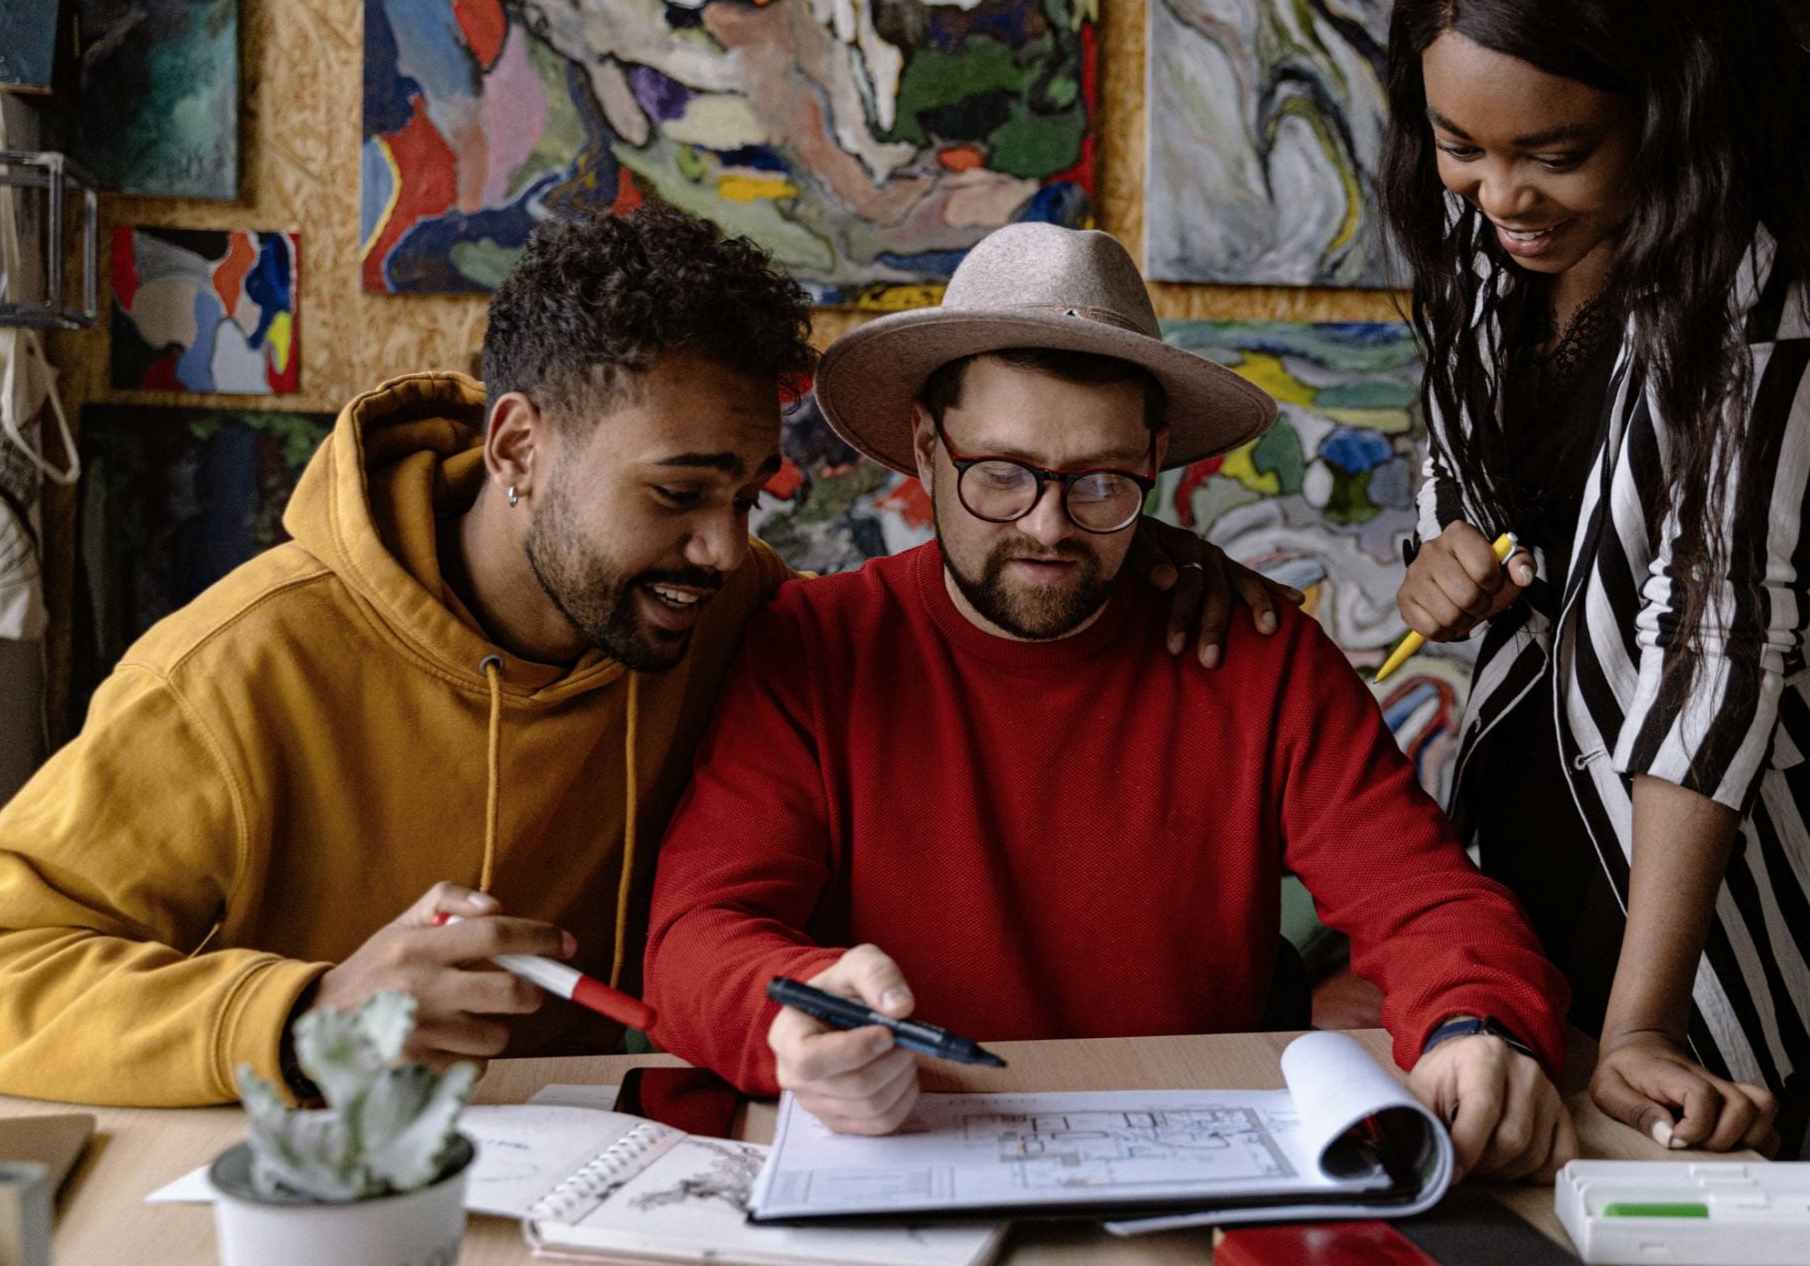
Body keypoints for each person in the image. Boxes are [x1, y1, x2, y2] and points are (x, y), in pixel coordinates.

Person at [0, 203, 1273, 1107]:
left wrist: (1138, 557)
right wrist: (308, 1014)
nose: (724, 548)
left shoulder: (735, 615)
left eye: (747, 496)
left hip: (641, 1185)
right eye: (677, 493)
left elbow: (976, 596)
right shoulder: (238, 668)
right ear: (519, 447)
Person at [646, 223, 1578, 1184]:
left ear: (1155, 458)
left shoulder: (1260, 658)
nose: (1048, 526)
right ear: (927, 448)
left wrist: (1476, 1024)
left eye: (1100, 482)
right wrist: (793, 1017)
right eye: (1000, 475)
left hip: (1196, 1175)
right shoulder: (810, 649)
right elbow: (696, 934)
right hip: (899, 1161)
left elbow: (1424, 897)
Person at [1381, 0, 1810, 1156]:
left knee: (1686, 1179)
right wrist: (1447, 533)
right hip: (1551, 767)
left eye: (1554, 152)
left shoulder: (1795, 259)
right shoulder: (1494, 206)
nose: (1501, 194)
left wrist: (1645, 1018)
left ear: (1671, 96)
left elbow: (1718, 629)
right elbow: (1470, 430)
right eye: (1457, 146)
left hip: (1743, 832)